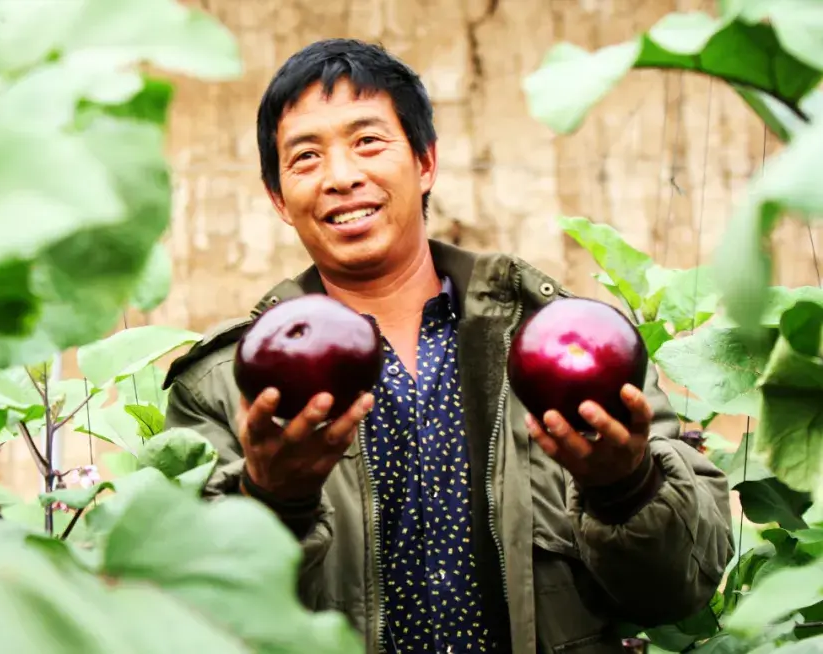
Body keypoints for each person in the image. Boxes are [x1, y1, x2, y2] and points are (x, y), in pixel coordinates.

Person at [161, 38, 733, 654]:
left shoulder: (564, 343)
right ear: (279, 199)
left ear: (426, 161)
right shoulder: (227, 386)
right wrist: (271, 501)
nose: (342, 176)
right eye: (305, 158)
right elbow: (195, 620)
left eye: (368, 142)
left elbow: (683, 589)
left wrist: (627, 487)